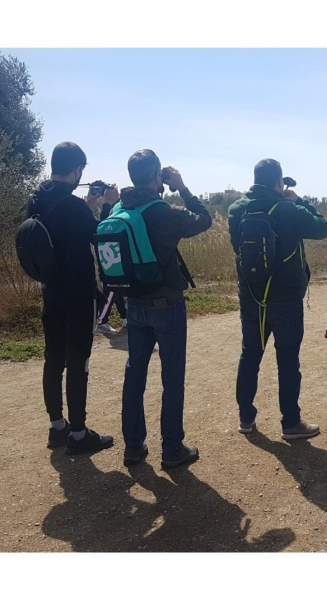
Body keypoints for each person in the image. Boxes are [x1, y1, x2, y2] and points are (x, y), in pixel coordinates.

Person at [119, 150, 212, 469]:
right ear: (158, 175)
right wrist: (182, 187)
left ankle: (133, 446)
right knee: (172, 377)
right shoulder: (162, 212)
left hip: (134, 304)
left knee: (135, 374)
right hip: (166, 305)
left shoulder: (121, 207)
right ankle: (172, 449)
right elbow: (204, 219)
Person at [228, 159, 327, 439]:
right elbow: (322, 229)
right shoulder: (289, 209)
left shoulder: (236, 209)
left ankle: (246, 418)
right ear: (279, 182)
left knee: (250, 356)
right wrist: (301, 201)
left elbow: (238, 248)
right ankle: (290, 423)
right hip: (286, 299)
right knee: (288, 361)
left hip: (251, 298)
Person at [26, 142, 115, 454]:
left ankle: (57, 427)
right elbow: (99, 234)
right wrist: (105, 206)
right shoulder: (74, 207)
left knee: (54, 359)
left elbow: (60, 232)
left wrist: (86, 205)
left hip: (50, 292)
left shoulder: (36, 199)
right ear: (77, 170)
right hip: (78, 294)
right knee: (79, 362)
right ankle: (79, 434)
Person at [94, 193, 127, 334]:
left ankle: (125, 317)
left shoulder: (106, 221)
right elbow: (105, 219)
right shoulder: (107, 223)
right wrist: (108, 202)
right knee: (112, 291)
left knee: (116, 291)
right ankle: (101, 320)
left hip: (110, 261)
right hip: (110, 262)